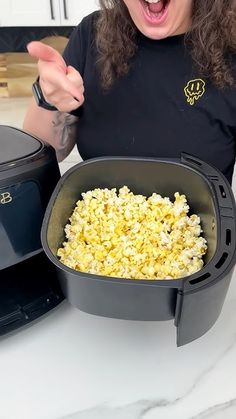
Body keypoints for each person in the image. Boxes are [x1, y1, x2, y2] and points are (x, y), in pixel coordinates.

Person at [23, 0, 236, 184]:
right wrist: (48, 96)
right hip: (101, 227)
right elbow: (44, 153)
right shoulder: (92, 34)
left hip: (201, 228)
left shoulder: (231, 46)